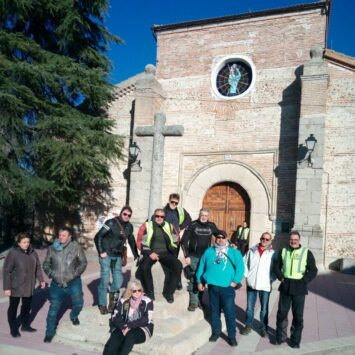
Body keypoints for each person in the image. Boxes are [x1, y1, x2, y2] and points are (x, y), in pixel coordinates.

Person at [196, 230, 244, 347]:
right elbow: (201, 266)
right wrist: (199, 281)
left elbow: (241, 268)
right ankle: (216, 332)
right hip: (212, 287)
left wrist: (235, 281)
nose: (220, 239)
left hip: (227, 288)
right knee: (214, 312)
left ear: (227, 239)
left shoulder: (233, 252)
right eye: (218, 237)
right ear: (215, 239)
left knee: (229, 312)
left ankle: (231, 336)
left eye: (223, 237)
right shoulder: (209, 251)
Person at [274, 231, 318, 349]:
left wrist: (304, 281)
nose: (293, 241)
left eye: (296, 240)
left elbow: (313, 270)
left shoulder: (306, 253)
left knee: (298, 316)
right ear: (289, 240)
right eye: (291, 239)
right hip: (286, 285)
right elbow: (276, 266)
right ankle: (280, 338)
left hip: (299, 287)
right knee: (282, 314)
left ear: (299, 240)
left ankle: (295, 340)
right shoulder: (283, 251)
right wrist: (281, 277)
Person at [43, 227, 87, 343]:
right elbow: (46, 264)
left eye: (64, 235)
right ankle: (49, 333)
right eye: (60, 235)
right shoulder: (52, 248)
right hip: (56, 285)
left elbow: (83, 262)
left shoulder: (76, 247)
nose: (61, 237)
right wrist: (51, 274)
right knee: (53, 310)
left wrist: (75, 274)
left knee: (78, 304)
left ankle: (73, 316)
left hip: (73, 283)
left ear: (69, 237)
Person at [95, 206, 139, 315]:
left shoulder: (129, 227)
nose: (126, 216)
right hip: (106, 254)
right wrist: (101, 251)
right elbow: (98, 236)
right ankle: (102, 304)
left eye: (129, 215)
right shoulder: (111, 223)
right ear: (121, 213)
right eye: (125, 214)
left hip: (117, 255)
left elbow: (132, 241)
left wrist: (136, 255)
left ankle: (112, 303)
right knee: (105, 280)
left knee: (118, 280)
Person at [3, 232, 46, 337]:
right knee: (14, 306)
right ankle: (13, 329)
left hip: (29, 285)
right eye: (24, 242)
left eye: (28, 242)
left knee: (26, 306)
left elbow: (38, 267)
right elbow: (6, 271)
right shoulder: (13, 253)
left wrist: (41, 280)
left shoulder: (32, 252)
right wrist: (7, 288)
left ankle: (25, 325)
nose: (26, 244)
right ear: (18, 243)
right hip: (15, 286)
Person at [136, 208, 182, 303]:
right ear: (154, 216)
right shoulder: (147, 226)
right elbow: (141, 241)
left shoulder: (169, 226)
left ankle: (169, 293)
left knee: (178, 265)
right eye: (157, 216)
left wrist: (172, 248)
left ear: (164, 217)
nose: (159, 218)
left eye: (162, 216)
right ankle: (150, 293)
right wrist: (150, 253)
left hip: (165, 253)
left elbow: (176, 239)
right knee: (144, 267)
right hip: (151, 252)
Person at [181, 208, 219, 311]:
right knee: (194, 278)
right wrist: (186, 256)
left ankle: (200, 301)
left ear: (208, 216)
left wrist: (228, 244)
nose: (204, 217)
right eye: (202, 215)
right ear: (199, 214)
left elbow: (220, 236)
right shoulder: (192, 225)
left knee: (202, 278)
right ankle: (193, 303)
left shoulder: (212, 226)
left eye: (206, 216)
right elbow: (183, 241)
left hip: (206, 258)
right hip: (194, 257)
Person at [103, 280, 153, 355]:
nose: (137, 293)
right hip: (125, 325)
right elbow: (116, 316)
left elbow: (146, 319)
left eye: (139, 290)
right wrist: (123, 327)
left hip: (142, 328)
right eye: (134, 291)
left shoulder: (147, 301)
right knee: (115, 336)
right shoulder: (124, 301)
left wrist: (129, 326)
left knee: (130, 336)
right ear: (130, 291)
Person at [240, 232, 275, 337]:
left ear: (270, 241)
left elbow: (277, 268)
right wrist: (247, 275)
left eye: (267, 239)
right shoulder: (252, 250)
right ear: (260, 239)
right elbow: (244, 262)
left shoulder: (273, 253)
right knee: (250, 307)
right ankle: (248, 325)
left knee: (264, 308)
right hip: (252, 283)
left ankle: (263, 327)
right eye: (263, 238)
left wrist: (271, 278)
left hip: (265, 285)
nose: (264, 240)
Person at [163, 193, 191, 290]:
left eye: (176, 203)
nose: (174, 204)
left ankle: (177, 281)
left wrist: (181, 227)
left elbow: (189, 219)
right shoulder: (163, 211)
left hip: (175, 239)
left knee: (174, 261)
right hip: (165, 240)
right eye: (172, 202)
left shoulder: (180, 211)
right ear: (169, 200)